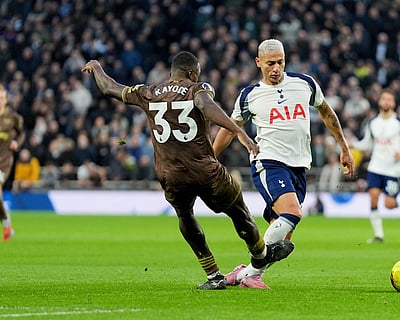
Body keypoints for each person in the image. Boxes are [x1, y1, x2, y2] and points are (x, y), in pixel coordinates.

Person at [81, 51, 294, 290]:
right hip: (205, 170)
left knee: (185, 215)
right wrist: (240, 132)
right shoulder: (198, 88)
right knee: (237, 209)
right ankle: (260, 254)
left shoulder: (148, 92)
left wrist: (97, 67)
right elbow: (205, 104)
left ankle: (213, 275)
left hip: (171, 174)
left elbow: (110, 88)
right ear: (192, 73)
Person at [213, 39, 354, 288]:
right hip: (268, 161)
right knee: (292, 213)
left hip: (299, 166)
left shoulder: (305, 84)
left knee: (283, 236)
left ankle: (243, 272)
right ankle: (253, 275)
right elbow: (231, 128)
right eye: (270, 63)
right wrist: (211, 157)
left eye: (280, 62)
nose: (276, 68)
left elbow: (327, 113)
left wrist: (344, 147)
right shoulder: (250, 95)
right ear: (259, 63)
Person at [352, 89, 400, 243]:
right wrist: (352, 145)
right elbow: (367, 143)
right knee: (373, 198)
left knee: (389, 204)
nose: (386, 102)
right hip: (375, 166)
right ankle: (378, 235)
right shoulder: (372, 122)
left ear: (393, 103)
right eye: (384, 99)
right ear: (379, 102)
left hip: (393, 169)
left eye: (389, 99)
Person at [0, 84, 25, 241]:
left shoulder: (13, 117)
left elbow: (22, 134)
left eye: (1, 98)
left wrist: (17, 143)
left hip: (4, 161)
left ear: (6, 99)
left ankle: (6, 223)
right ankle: (7, 222)